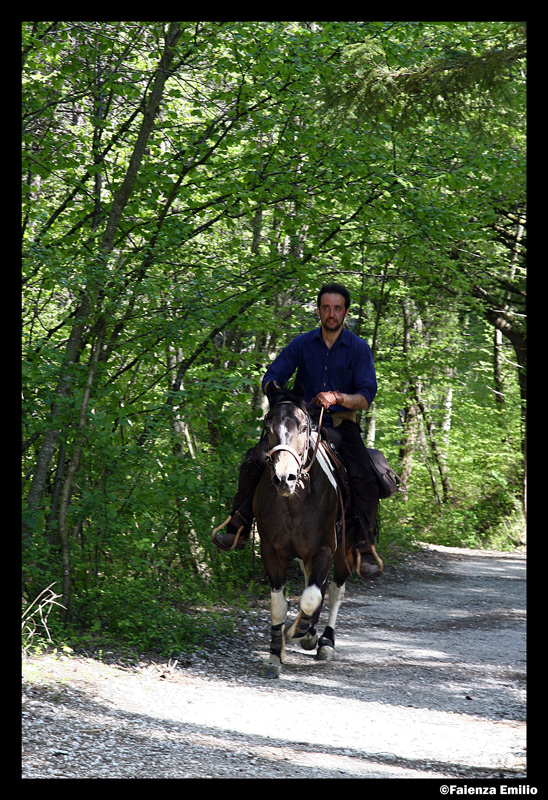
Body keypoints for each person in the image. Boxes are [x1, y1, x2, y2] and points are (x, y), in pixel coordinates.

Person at [212, 282, 382, 579]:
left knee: (363, 474)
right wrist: (275, 392)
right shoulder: (301, 345)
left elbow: (366, 397)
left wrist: (338, 397)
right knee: (254, 460)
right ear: (319, 310)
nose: (331, 314)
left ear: (346, 312)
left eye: (337, 308)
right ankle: (238, 524)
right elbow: (272, 375)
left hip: (340, 425)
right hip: (295, 428)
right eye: (326, 308)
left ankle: (363, 545)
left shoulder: (358, 348)